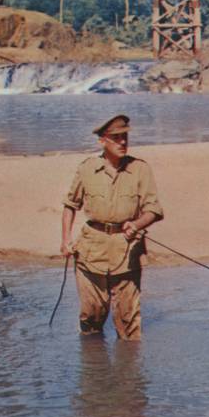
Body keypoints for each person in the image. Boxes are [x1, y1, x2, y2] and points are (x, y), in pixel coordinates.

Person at [61, 114, 163, 339]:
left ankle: (129, 373)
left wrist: (137, 223)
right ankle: (94, 370)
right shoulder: (87, 169)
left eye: (125, 137)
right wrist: (65, 239)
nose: (123, 142)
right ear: (102, 141)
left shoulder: (140, 169)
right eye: (116, 138)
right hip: (91, 252)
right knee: (92, 316)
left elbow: (154, 210)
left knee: (129, 324)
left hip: (127, 251)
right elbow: (70, 206)